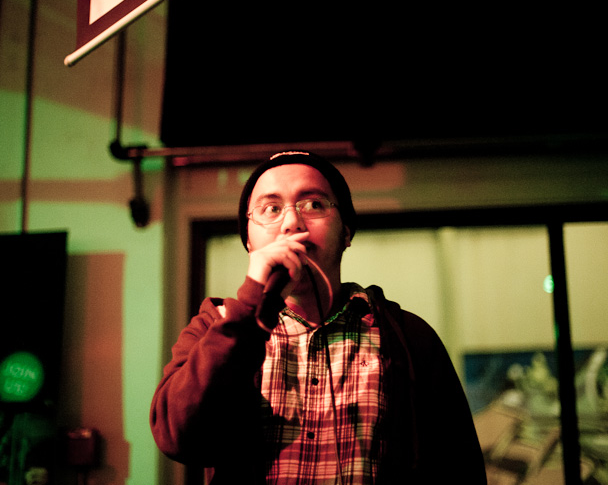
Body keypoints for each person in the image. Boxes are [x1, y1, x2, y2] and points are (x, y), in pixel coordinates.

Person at [150, 150, 487, 484]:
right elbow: (177, 437)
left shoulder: (408, 336)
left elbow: (460, 467)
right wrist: (251, 305)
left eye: (313, 204)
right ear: (249, 242)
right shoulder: (213, 326)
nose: (292, 223)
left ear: (346, 232)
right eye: (271, 208)